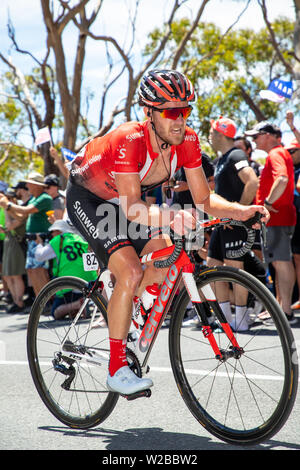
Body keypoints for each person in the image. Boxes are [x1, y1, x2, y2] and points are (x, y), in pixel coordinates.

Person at [66, 69, 269, 395]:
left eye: (185, 110)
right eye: (171, 111)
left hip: (123, 202)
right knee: (131, 270)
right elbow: (132, 207)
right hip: (88, 198)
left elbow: (203, 199)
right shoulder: (130, 139)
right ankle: (116, 367)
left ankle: (128, 312)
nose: (180, 119)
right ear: (149, 112)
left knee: (163, 255)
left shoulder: (187, 140)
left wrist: (240, 211)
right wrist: (173, 216)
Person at [206, 116, 261, 331]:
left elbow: (252, 181)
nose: (209, 137)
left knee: (235, 270)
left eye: (211, 132)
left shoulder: (236, 154)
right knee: (212, 268)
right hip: (222, 225)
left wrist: (238, 212)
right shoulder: (221, 161)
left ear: (220, 134)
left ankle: (241, 320)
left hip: (235, 224)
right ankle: (226, 320)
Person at [245, 121, 297, 325]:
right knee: (281, 262)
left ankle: (285, 312)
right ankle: (284, 309)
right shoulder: (280, 153)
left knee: (281, 262)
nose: (253, 140)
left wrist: (267, 202)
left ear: (267, 135)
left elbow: (282, 179)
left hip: (276, 218)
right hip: (279, 217)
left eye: (256, 136)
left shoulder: (276, 153)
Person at [0, 171, 53, 297]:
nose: (28, 185)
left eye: (30, 183)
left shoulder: (44, 198)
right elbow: (21, 216)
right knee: (31, 271)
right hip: (32, 240)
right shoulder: (35, 198)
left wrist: (8, 204)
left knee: (40, 271)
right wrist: (6, 207)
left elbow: (26, 210)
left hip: (40, 238)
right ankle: (40, 301)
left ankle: (47, 300)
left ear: (37, 185)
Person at [34, 219, 98, 320]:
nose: (51, 234)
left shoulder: (58, 240)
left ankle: (78, 304)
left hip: (69, 284)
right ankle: (84, 304)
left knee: (56, 312)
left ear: (58, 231)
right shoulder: (79, 238)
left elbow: (39, 256)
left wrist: (39, 243)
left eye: (53, 232)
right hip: (90, 282)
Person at [0, 188, 27, 313]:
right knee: (7, 275)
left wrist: (6, 208)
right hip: (8, 242)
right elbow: (7, 227)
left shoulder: (19, 213)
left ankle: (19, 301)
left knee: (16, 275)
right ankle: (15, 300)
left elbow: (11, 225)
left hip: (16, 244)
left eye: (10, 199)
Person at [284, 138, 300, 311]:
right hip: (295, 219)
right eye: (287, 152)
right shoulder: (292, 168)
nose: (289, 155)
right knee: (296, 259)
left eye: (293, 151)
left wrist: (291, 126)